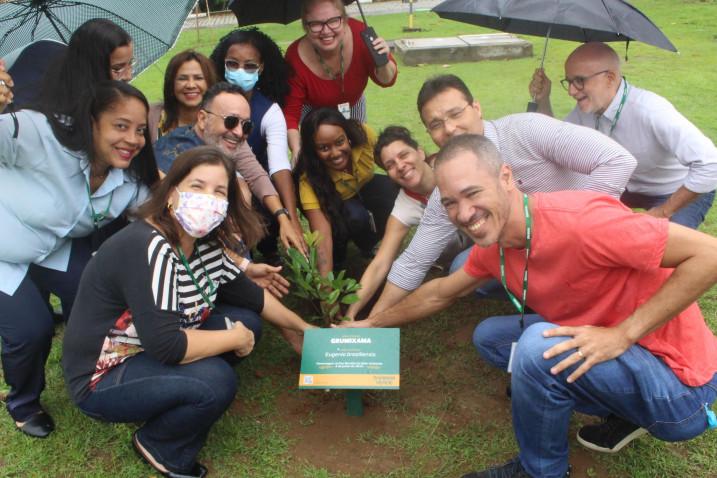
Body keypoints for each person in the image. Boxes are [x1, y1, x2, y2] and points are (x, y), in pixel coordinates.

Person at [344, 134, 717, 478]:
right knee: (491, 338)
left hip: (680, 389)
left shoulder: (582, 222)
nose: (464, 213)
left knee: (536, 348)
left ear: (506, 177)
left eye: (472, 193)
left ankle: (541, 471)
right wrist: (373, 324)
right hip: (622, 354)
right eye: (451, 203)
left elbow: (709, 255)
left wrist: (623, 334)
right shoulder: (495, 245)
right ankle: (613, 409)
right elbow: (442, 291)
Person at [62, 146, 313, 478]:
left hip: (147, 349)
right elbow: (167, 346)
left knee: (248, 319)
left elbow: (253, 297)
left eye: (219, 192)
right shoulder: (150, 245)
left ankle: (176, 393)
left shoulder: (203, 241)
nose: (207, 199)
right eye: (197, 186)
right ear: (171, 191)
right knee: (216, 381)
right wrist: (233, 338)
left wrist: (306, 329)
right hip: (102, 376)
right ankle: (160, 444)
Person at [367, 74, 637, 318]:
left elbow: (617, 160)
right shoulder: (447, 187)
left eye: (456, 113)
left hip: (582, 235)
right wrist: (370, 321)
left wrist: (566, 231)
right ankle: (544, 295)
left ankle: (567, 293)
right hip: (526, 247)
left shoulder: (527, 130)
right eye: (436, 124)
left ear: (476, 108)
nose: (449, 129)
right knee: (464, 266)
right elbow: (414, 261)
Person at [0, 81, 159, 438]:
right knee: (30, 330)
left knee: (98, 297)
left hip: (51, 248)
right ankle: (23, 402)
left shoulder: (128, 180)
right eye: (120, 126)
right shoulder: (49, 147)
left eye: (139, 130)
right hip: (3, 252)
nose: (133, 139)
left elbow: (159, 219)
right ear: (92, 124)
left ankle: (93, 372)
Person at [529, 42, 717, 229]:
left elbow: (710, 164)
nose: (571, 91)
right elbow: (555, 142)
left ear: (610, 78)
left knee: (665, 248)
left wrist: (662, 212)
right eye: (569, 82)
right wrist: (543, 99)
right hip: (623, 185)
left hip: (676, 190)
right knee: (577, 224)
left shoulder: (651, 110)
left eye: (579, 81)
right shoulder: (586, 109)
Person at [155, 82, 306, 255]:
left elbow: (257, 176)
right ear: (203, 119)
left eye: (246, 126)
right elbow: (182, 225)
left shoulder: (228, 141)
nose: (239, 132)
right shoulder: (172, 153)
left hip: (232, 256)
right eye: (231, 121)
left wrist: (283, 217)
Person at [345, 125, 468, 319]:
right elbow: (381, 262)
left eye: (404, 155)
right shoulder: (405, 203)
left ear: (419, 151)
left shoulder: (450, 166)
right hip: (460, 241)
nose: (400, 166)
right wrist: (352, 313)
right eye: (390, 165)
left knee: (460, 266)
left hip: (489, 234)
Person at [211, 27, 306, 263]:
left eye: (250, 66)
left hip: (258, 187)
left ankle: (267, 245)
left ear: (262, 68)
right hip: (216, 185)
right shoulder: (208, 104)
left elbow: (278, 165)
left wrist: (290, 217)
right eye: (232, 64)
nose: (240, 72)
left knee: (266, 196)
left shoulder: (269, 111)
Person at [284, 0, 398, 161]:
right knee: (321, 158)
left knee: (358, 155)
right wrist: (297, 149)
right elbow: (290, 115)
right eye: (316, 24)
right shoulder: (294, 57)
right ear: (305, 26)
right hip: (313, 110)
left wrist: (383, 61)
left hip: (354, 103)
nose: (326, 31)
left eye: (333, 21)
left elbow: (387, 80)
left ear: (344, 20)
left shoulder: (361, 33)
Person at [293, 108, 398, 275]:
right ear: (313, 150)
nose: (335, 153)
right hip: (336, 205)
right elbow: (322, 235)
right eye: (324, 148)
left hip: (365, 186)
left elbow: (390, 163)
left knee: (391, 190)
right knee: (355, 216)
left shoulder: (362, 134)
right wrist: (325, 286)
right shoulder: (309, 179)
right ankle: (340, 257)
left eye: (339, 142)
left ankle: (369, 244)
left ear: (348, 136)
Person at [35, 18, 135, 129]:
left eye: (130, 63)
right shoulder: (66, 120)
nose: (128, 76)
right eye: (117, 69)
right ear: (92, 69)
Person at [148, 50, 217, 143]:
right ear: (171, 83)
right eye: (182, 79)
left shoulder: (221, 119)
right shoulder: (150, 115)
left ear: (209, 82)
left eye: (198, 78)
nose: (191, 85)